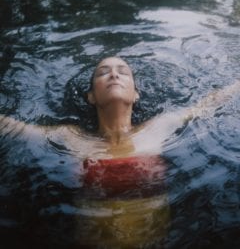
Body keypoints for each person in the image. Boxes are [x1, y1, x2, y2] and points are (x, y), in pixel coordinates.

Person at [0, 56, 240, 248]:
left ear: (136, 94)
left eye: (123, 71)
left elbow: (210, 103)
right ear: (91, 96)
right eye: (103, 72)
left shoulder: (159, 127)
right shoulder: (69, 137)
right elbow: (12, 128)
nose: (114, 74)